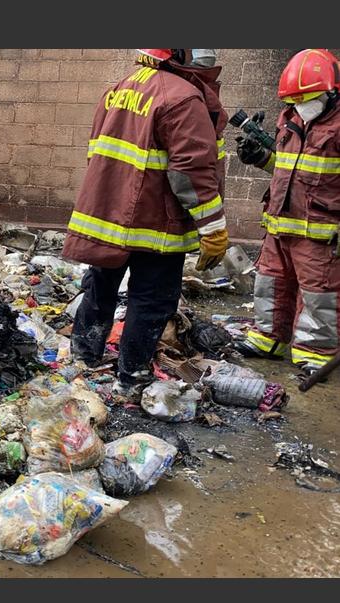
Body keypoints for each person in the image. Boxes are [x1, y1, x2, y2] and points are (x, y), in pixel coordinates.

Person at [63, 49, 230, 399]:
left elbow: (97, 153)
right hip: (155, 223)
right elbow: (192, 172)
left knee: (100, 286)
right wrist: (213, 228)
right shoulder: (182, 97)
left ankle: (82, 358)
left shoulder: (121, 88)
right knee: (151, 299)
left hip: (109, 216)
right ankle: (131, 377)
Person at [234, 49, 340, 375]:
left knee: (317, 294)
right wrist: (260, 159)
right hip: (279, 223)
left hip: (320, 229)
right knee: (271, 283)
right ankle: (268, 338)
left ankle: (315, 353)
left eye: (306, 98)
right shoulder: (290, 119)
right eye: (294, 100)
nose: (300, 105)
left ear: (331, 90)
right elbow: (288, 170)